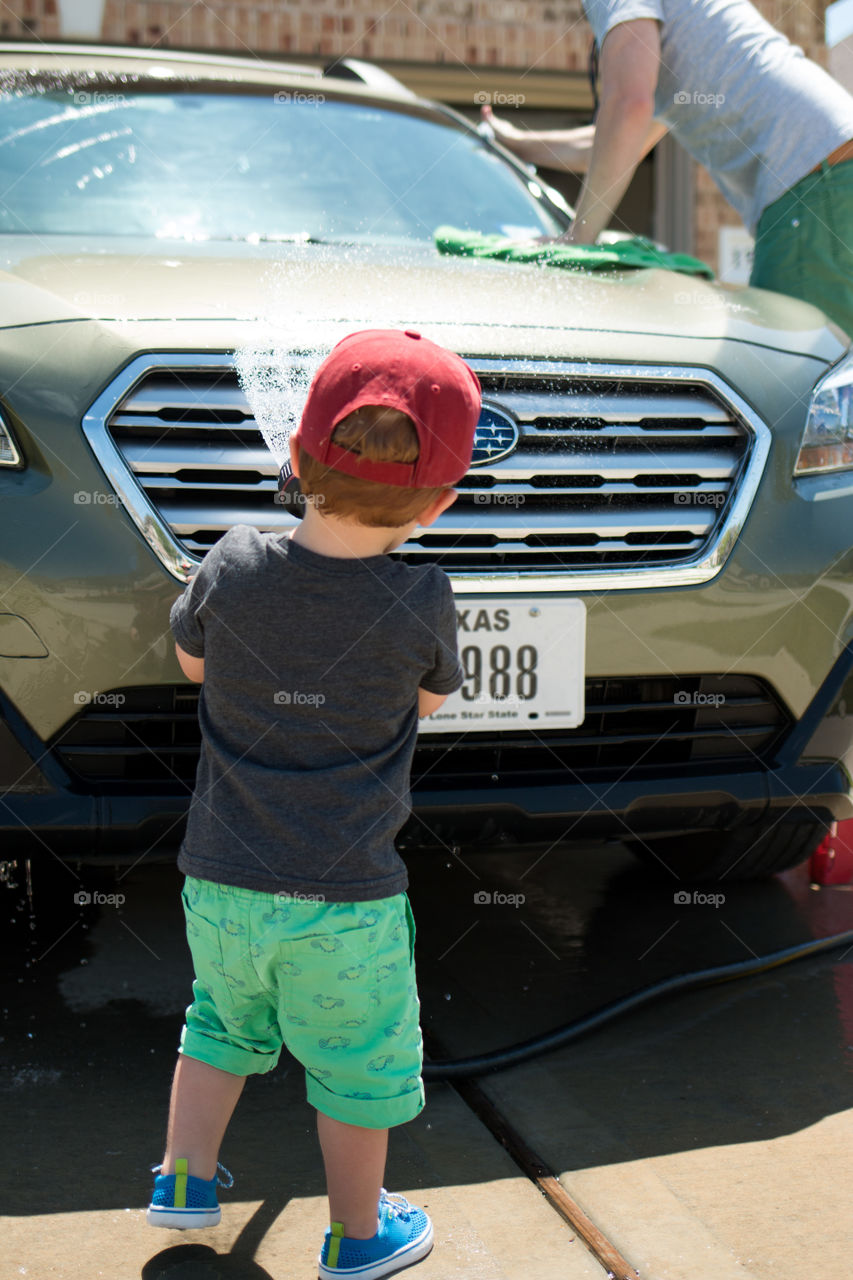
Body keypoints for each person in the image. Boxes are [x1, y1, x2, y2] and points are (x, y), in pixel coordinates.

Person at [145, 328, 482, 1280]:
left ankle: (183, 1183)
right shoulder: (421, 598)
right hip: (346, 899)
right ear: (440, 502)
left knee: (217, 1024)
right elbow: (425, 701)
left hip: (219, 880)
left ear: (294, 458)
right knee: (357, 1071)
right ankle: (356, 1236)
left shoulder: (235, 561)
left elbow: (191, 663)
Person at [483, 0, 853, 336]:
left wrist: (578, 238)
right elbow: (618, 140)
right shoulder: (687, 25)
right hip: (830, 172)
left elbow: (629, 106)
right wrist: (518, 143)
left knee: (790, 369)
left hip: (815, 184)